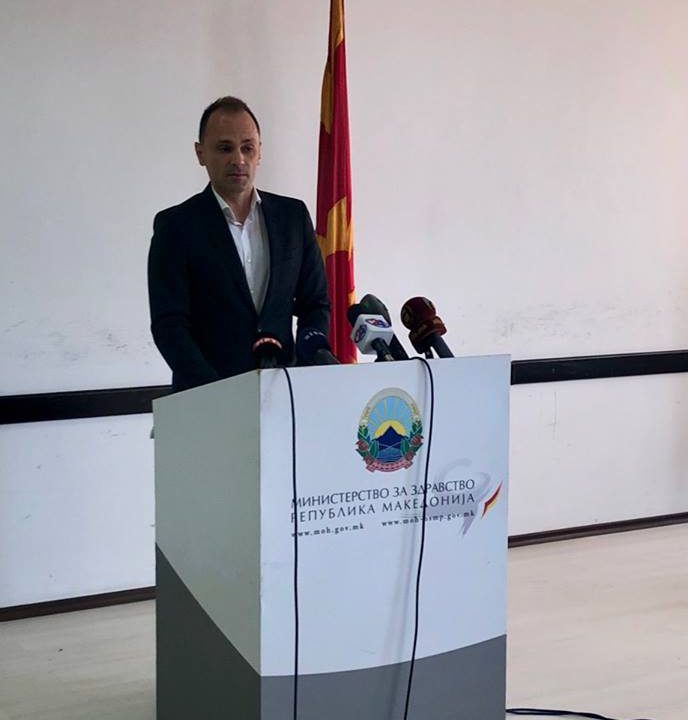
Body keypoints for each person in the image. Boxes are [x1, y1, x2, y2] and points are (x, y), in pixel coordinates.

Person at [148, 96, 330, 392]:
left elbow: (315, 303)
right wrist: (215, 392)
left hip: (285, 393)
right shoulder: (175, 226)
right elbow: (169, 324)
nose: (239, 159)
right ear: (200, 153)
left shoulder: (293, 217)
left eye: (248, 148)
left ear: (260, 152)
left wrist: (308, 367)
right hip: (205, 397)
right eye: (225, 148)